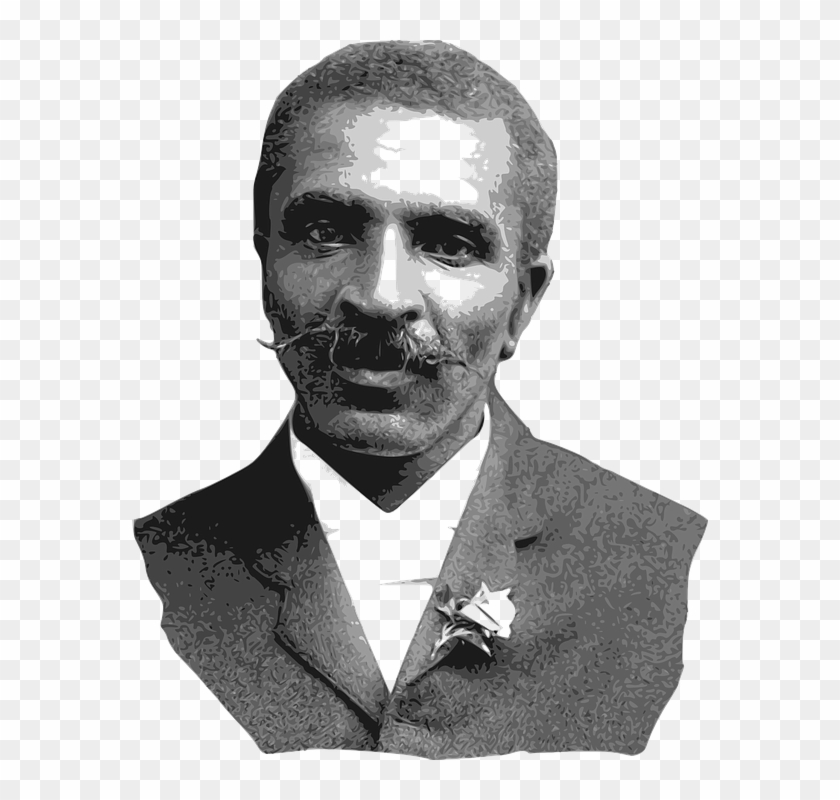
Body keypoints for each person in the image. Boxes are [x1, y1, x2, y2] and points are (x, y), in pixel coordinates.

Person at [134, 40, 707, 759]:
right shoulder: (131, 576)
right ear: (265, 264)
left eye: (450, 244)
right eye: (325, 232)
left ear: (523, 303)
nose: (380, 297)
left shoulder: (677, 568)